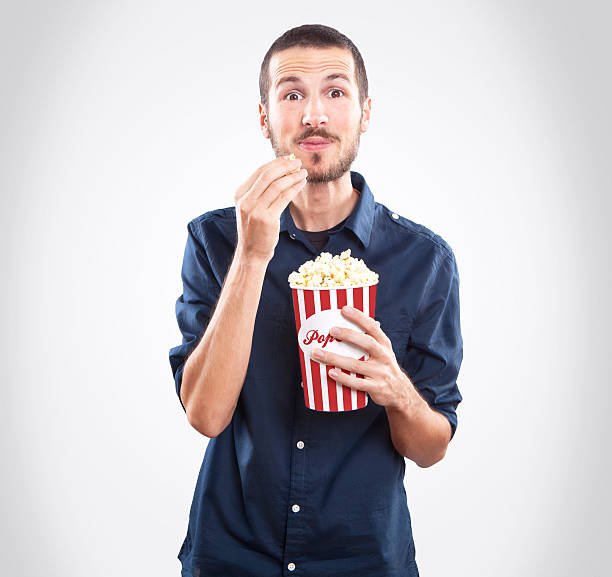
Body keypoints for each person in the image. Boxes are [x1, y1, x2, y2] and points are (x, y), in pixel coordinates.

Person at [169, 24, 463, 577]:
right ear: (265, 118)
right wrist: (254, 254)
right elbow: (205, 415)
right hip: (234, 554)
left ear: (365, 112)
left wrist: (399, 392)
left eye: (335, 91)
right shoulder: (215, 241)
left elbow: (431, 448)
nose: (314, 116)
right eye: (292, 94)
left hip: (365, 556)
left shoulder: (423, 260)